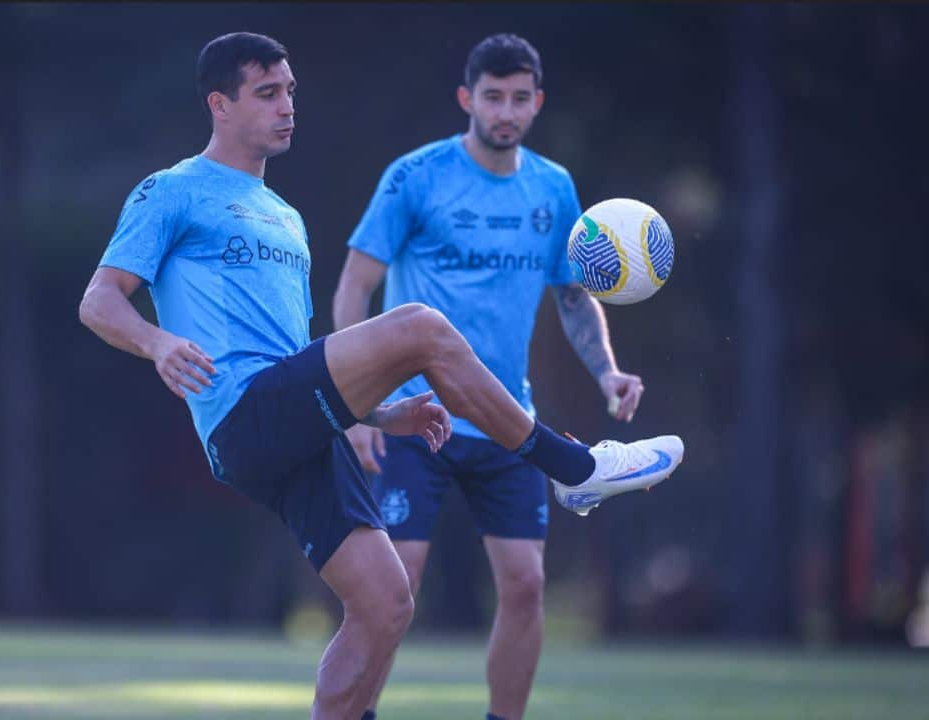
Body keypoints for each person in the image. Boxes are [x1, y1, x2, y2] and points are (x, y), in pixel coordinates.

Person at [79, 31, 683, 720]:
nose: (287, 107)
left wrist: (376, 414)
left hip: (296, 424)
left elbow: (298, 355)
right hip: (242, 411)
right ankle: (573, 467)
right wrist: (157, 344)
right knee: (421, 326)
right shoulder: (172, 190)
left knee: (387, 605)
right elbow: (99, 300)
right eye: (268, 94)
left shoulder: (285, 218)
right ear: (219, 104)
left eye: (291, 92)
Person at [333, 33, 660, 720]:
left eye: (519, 98)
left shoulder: (553, 187)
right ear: (466, 99)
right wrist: (360, 405)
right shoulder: (415, 176)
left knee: (526, 584)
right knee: (396, 588)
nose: (505, 111)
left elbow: (573, 295)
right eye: (492, 97)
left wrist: (607, 373)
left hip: (509, 421)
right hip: (415, 416)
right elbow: (354, 287)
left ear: (537, 102)